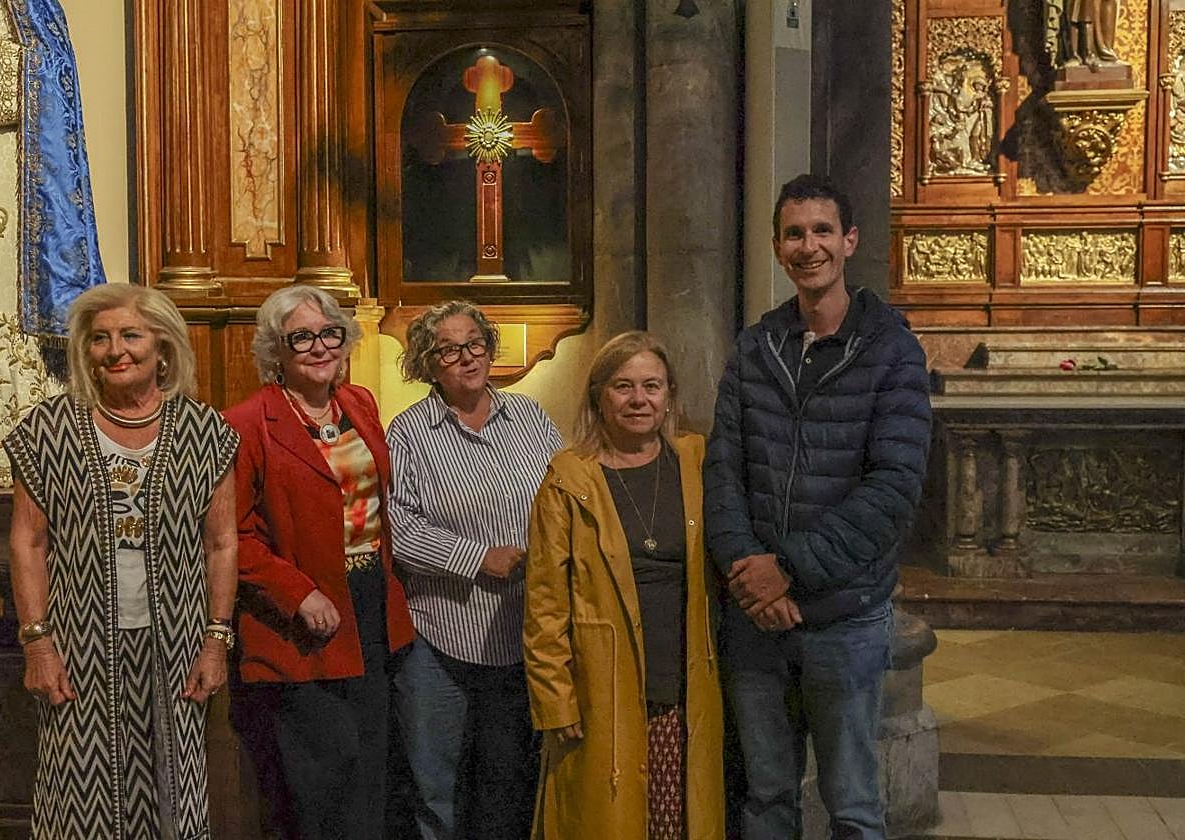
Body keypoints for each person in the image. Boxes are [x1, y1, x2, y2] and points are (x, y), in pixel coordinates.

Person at [704, 174, 931, 840]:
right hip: (758, 622)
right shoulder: (756, 347)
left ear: (849, 240)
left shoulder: (891, 351)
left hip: (844, 619)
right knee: (766, 800)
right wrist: (747, 567)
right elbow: (724, 470)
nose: (810, 246)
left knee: (854, 806)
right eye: (795, 233)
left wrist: (789, 569)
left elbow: (892, 490)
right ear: (779, 247)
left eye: (823, 231)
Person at [5, 283, 239, 839]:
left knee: (173, 791)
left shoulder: (206, 432)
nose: (115, 350)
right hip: (77, 647)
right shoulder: (46, 431)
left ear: (162, 346)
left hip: (177, 646)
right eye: (99, 339)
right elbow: (27, 543)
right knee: (78, 794)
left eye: (130, 335)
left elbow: (222, 543)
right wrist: (37, 644)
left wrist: (216, 641)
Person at [224, 285, 415, 840]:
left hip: (372, 607)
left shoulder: (359, 403)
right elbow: (234, 536)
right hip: (300, 621)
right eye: (300, 337)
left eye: (329, 333)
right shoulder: (247, 422)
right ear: (275, 351)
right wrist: (297, 592)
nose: (318, 347)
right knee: (318, 778)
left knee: (372, 768)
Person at [524, 331, 725, 840]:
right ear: (598, 396)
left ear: (669, 396)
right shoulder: (569, 478)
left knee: (679, 821)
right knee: (609, 820)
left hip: (686, 681)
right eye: (623, 386)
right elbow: (545, 600)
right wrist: (555, 697)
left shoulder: (696, 461)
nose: (639, 400)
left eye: (652, 386)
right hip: (603, 687)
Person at [386, 300, 561, 840]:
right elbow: (398, 527)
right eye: (448, 350)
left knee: (507, 782)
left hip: (520, 635)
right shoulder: (408, 433)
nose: (466, 358)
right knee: (434, 787)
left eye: (475, 344)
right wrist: (477, 557)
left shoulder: (530, 417)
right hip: (439, 640)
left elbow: (564, 500)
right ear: (427, 363)